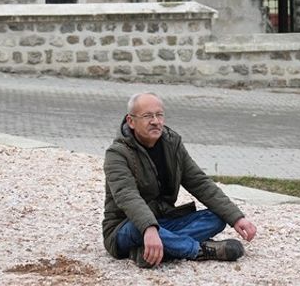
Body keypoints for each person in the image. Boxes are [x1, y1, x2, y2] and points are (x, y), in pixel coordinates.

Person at [101, 92, 258, 268]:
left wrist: (236, 218)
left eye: (159, 115)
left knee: (217, 217)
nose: (155, 121)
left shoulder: (172, 144)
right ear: (131, 121)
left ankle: (153, 249)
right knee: (137, 227)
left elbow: (199, 182)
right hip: (125, 228)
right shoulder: (117, 154)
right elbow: (127, 196)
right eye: (147, 116)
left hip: (165, 221)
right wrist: (148, 228)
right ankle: (197, 250)